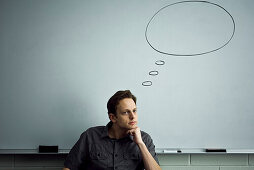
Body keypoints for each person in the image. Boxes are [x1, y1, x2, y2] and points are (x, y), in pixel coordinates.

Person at [63, 90, 161, 170]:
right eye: (126, 112)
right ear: (113, 117)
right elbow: (69, 167)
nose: (133, 116)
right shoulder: (90, 136)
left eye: (134, 111)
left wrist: (140, 144)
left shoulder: (145, 139)